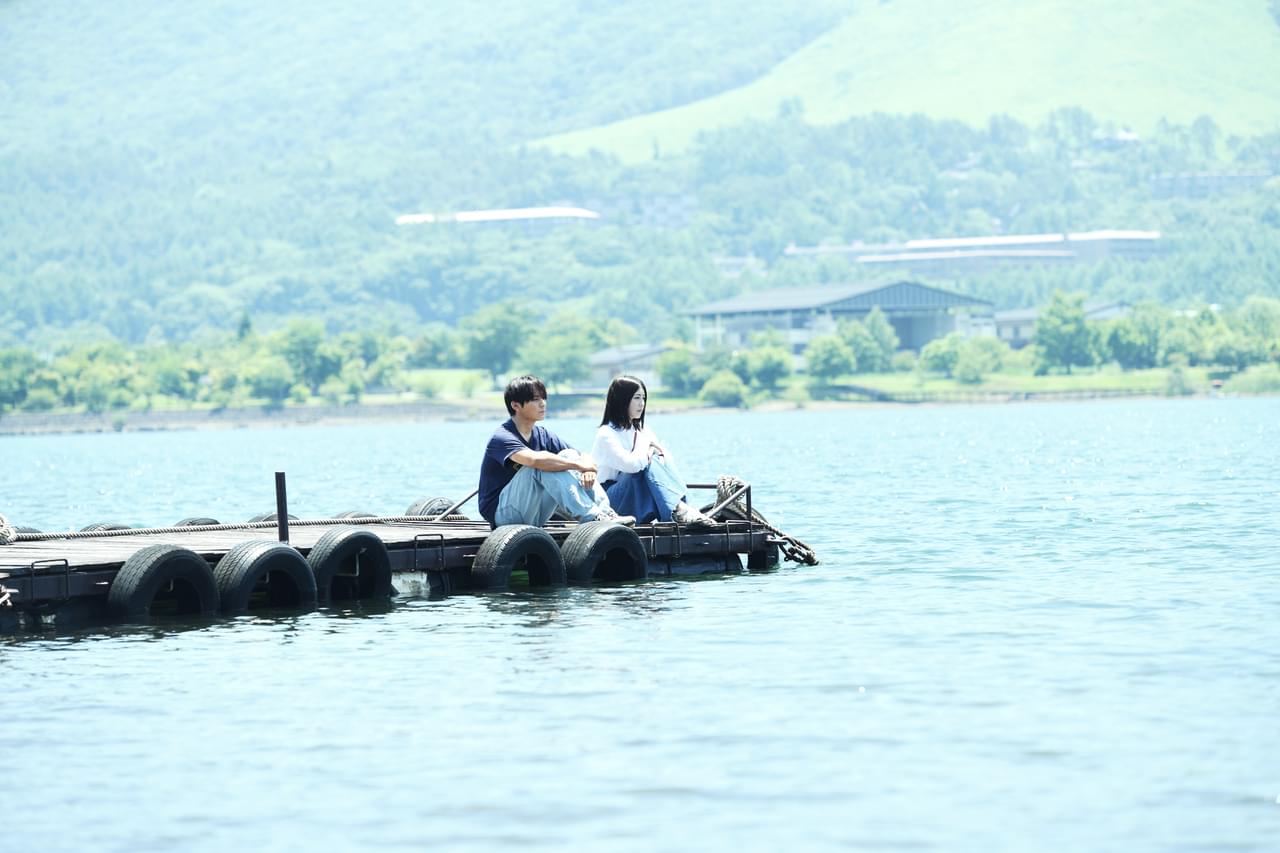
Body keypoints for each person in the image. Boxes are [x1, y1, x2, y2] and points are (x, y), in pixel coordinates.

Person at [478, 375, 634, 529]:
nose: (543, 403)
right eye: (535, 399)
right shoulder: (502, 437)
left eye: (543, 398)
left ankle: (605, 512)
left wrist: (587, 469)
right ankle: (592, 516)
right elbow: (534, 460)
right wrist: (579, 465)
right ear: (515, 405)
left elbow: (582, 456)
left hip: (535, 513)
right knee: (542, 465)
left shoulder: (543, 435)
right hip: (503, 515)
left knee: (569, 455)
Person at [591, 375, 716, 528]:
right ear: (622, 400)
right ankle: (679, 512)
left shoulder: (642, 430)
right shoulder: (606, 434)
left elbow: (665, 459)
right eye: (636, 398)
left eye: (643, 398)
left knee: (652, 463)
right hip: (611, 502)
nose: (642, 404)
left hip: (634, 494)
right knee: (644, 466)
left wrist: (650, 452)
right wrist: (648, 449)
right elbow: (631, 465)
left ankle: (684, 508)